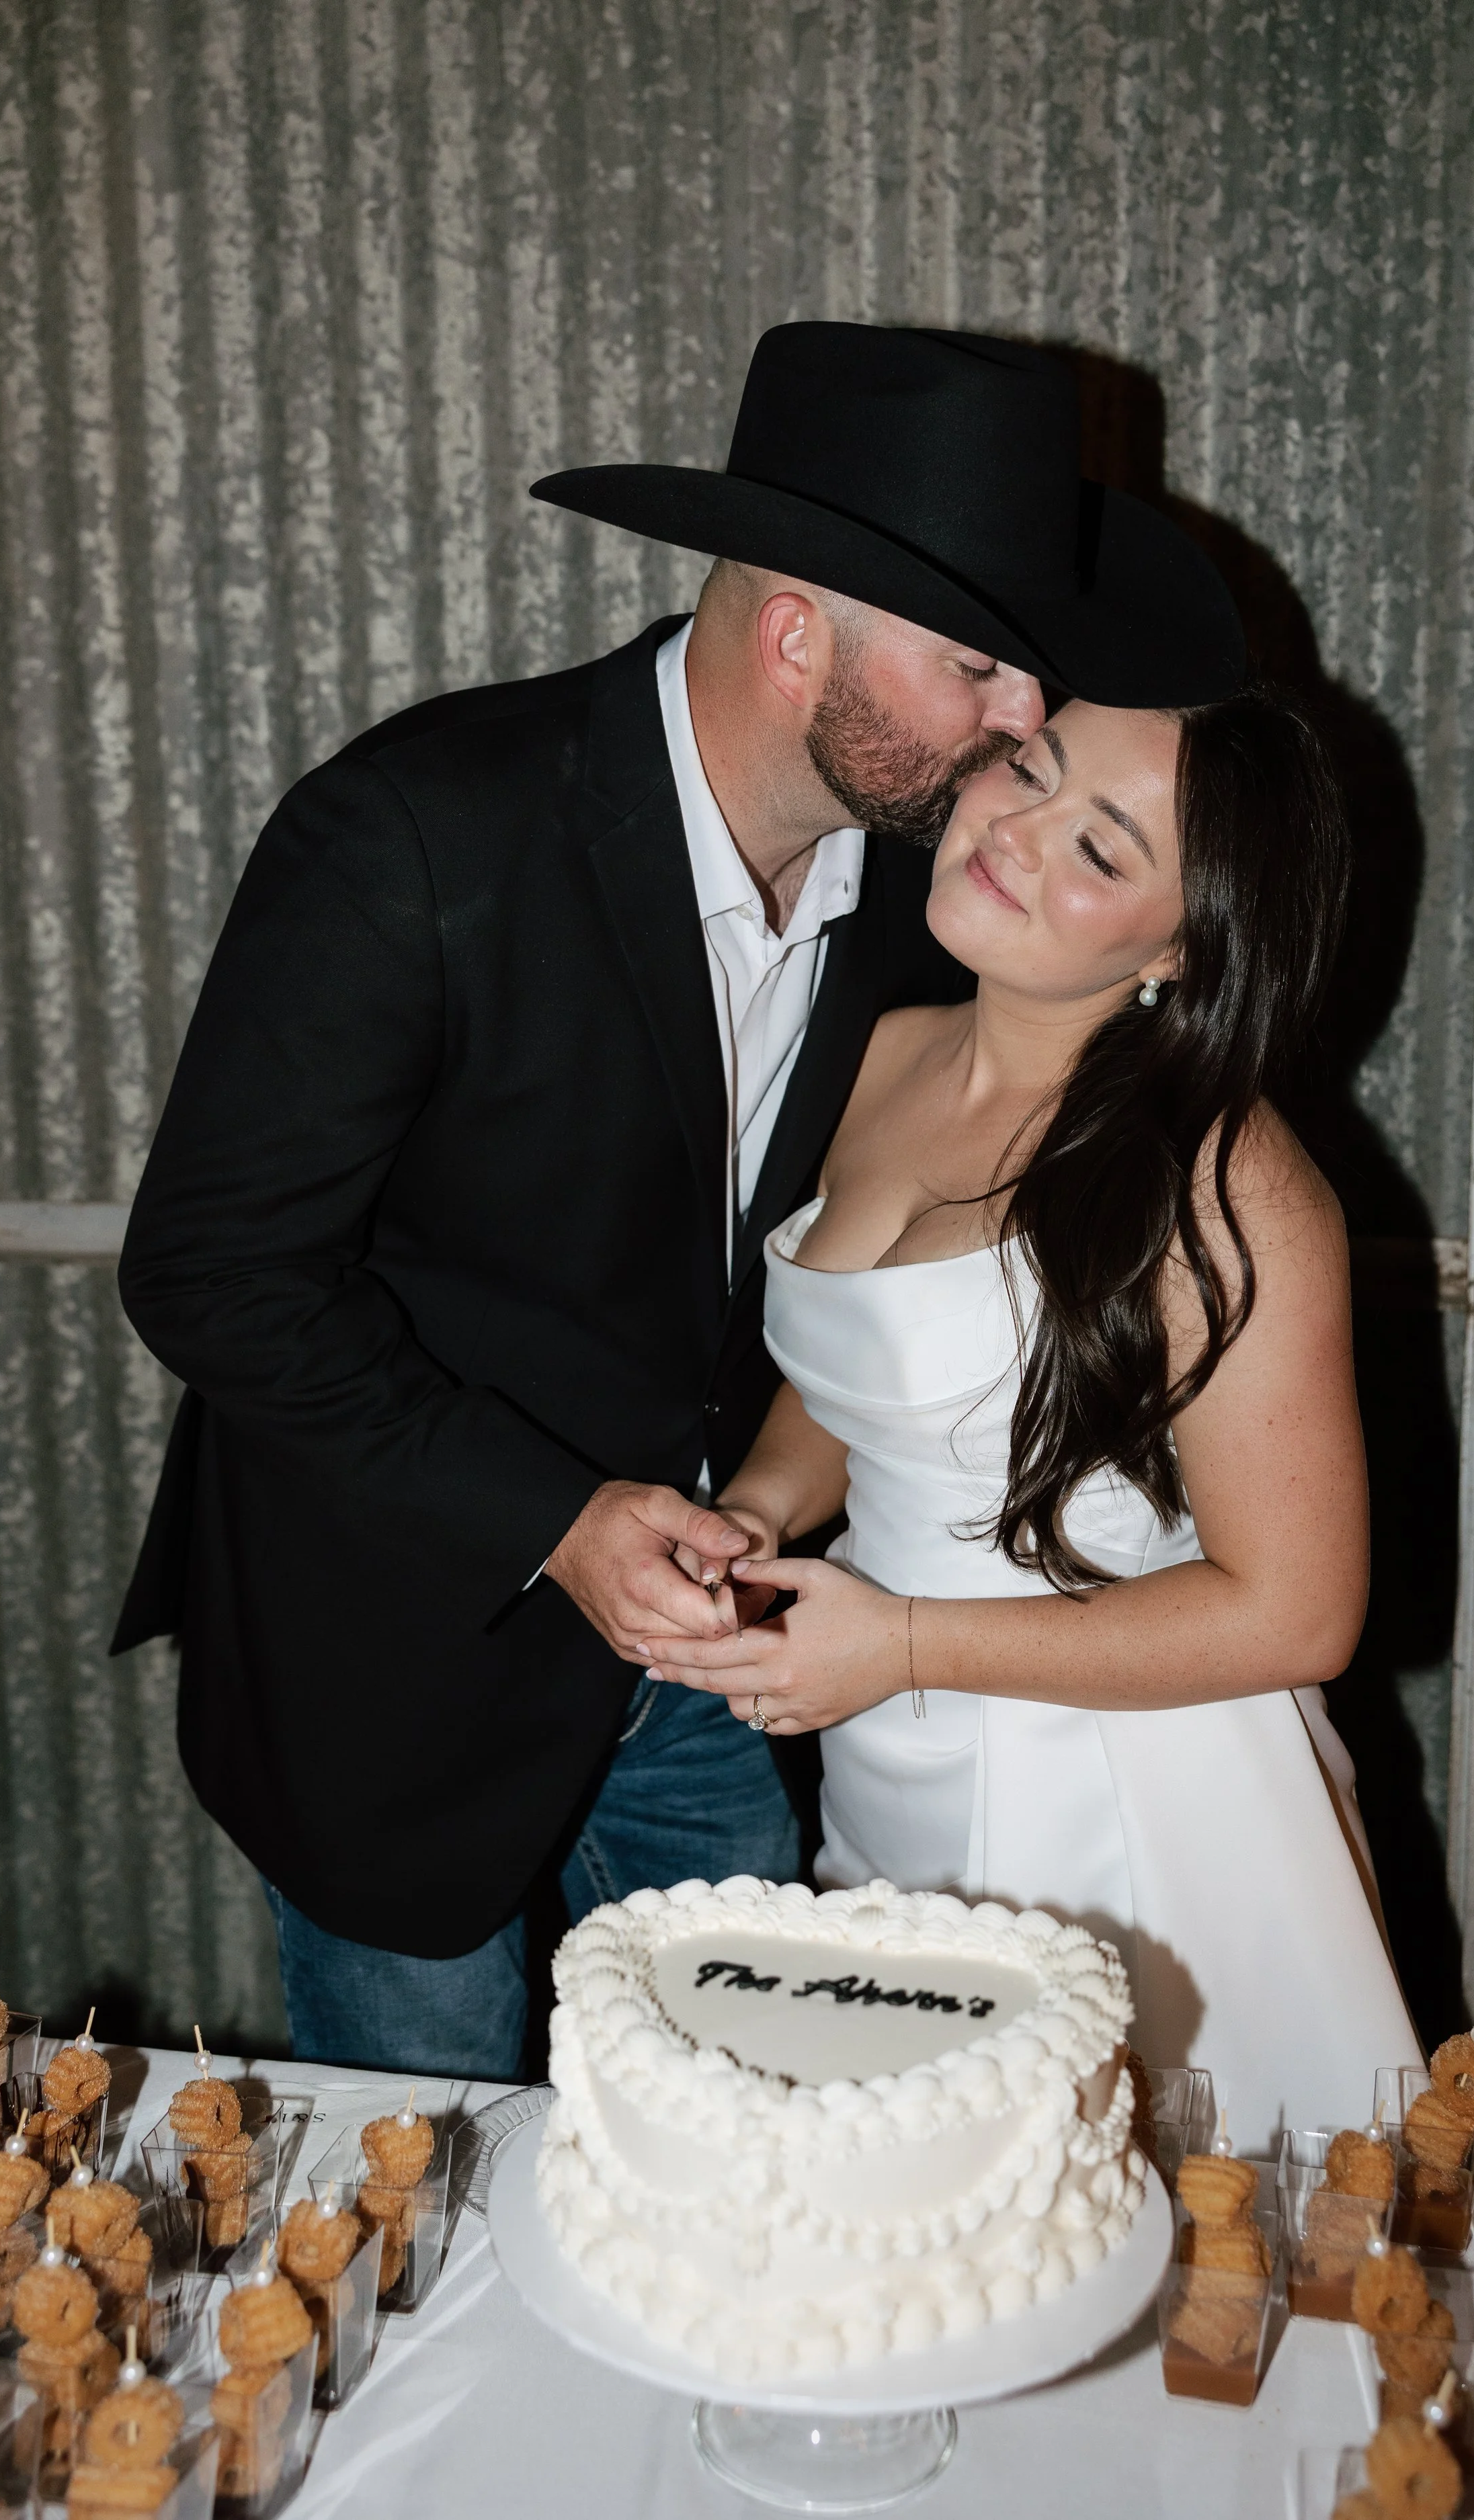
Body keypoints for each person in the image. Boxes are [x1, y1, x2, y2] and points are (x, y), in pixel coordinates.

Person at [111, 321, 1245, 2078]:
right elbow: (212, 1271)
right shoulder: (418, 831)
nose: (1025, 716)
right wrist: (555, 1518)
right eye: (976, 667)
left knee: (751, 2126)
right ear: (797, 641)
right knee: (440, 2170)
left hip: (724, 1658)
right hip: (397, 1663)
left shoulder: (934, 890)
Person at [639, 681, 1424, 2148]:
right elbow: (865, 1378)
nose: (1015, 830)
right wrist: (753, 1508)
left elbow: (1298, 1612)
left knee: (1133, 2226)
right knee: (922, 2206)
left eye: (1100, 848)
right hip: (885, 1749)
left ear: (1183, 944)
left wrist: (904, 1644)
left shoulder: (1224, 1179)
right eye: (1030, 770)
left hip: (1131, 1797)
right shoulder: (884, 1050)